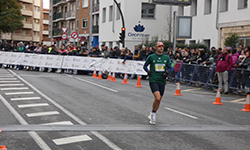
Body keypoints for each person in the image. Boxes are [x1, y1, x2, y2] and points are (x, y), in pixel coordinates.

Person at [143, 41, 171, 125]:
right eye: (159, 46)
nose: (161, 47)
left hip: (162, 80)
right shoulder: (151, 57)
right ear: (156, 47)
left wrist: (167, 72)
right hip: (153, 80)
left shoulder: (166, 57)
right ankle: (153, 116)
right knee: (157, 98)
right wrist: (148, 71)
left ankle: (152, 112)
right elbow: (145, 66)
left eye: (162, 46)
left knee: (159, 100)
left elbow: (170, 67)